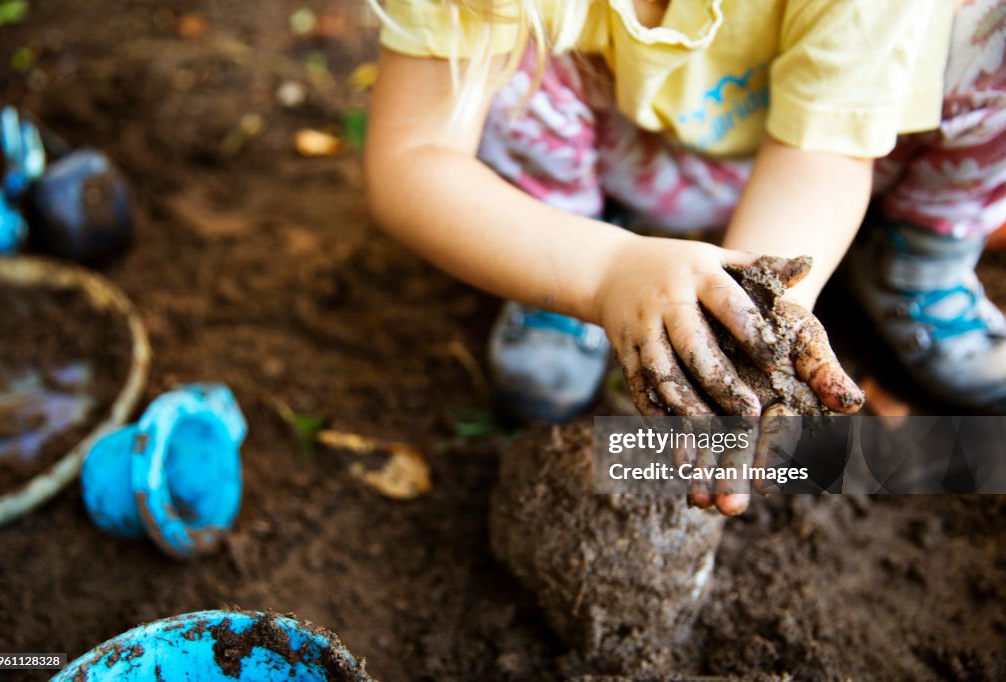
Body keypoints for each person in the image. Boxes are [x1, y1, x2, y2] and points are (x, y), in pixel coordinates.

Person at [364, 0, 1006, 513]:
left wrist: (753, 317)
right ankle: (563, 247)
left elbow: (826, 154)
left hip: (837, 147)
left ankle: (916, 253)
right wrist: (605, 270)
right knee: (492, 46)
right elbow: (415, 153)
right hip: (622, 153)